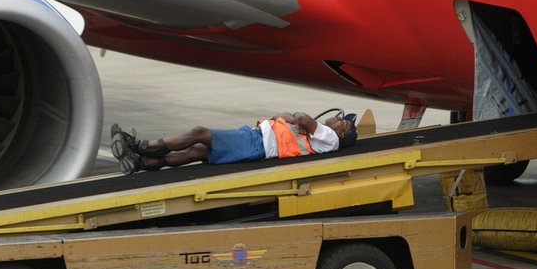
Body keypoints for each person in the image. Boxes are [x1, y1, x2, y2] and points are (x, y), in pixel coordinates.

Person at [111, 110, 357, 175]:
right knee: (197, 152)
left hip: (257, 143)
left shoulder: (330, 138)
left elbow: (299, 117)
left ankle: (141, 146)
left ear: (342, 134)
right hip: (256, 142)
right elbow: (285, 116)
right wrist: (292, 117)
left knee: (199, 132)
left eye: (343, 122)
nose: (337, 119)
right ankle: (142, 163)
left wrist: (295, 118)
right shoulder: (320, 133)